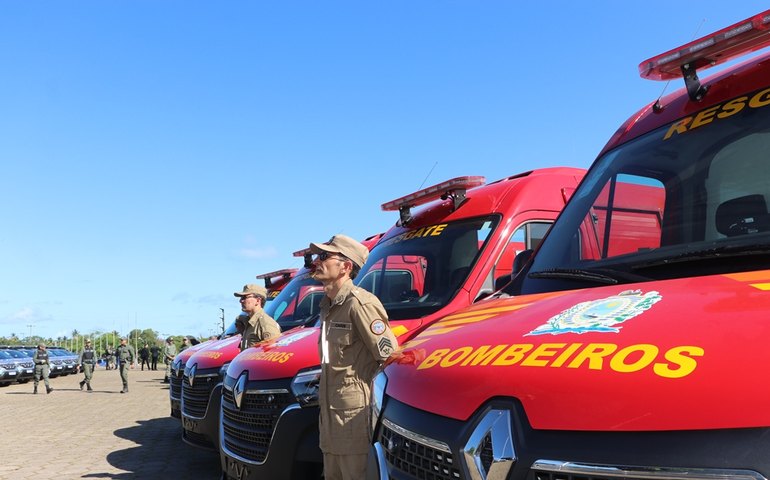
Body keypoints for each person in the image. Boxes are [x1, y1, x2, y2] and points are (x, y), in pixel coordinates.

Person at [309, 234, 398, 480]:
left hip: (353, 421)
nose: (317, 261)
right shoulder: (328, 306)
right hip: (330, 421)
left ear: (346, 267)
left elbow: (389, 358)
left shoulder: (360, 304)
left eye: (325, 256)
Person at [233, 284, 280, 350]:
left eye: (244, 297)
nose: (241, 301)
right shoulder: (248, 323)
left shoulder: (266, 324)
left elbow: (274, 352)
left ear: (258, 300)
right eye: (241, 298)